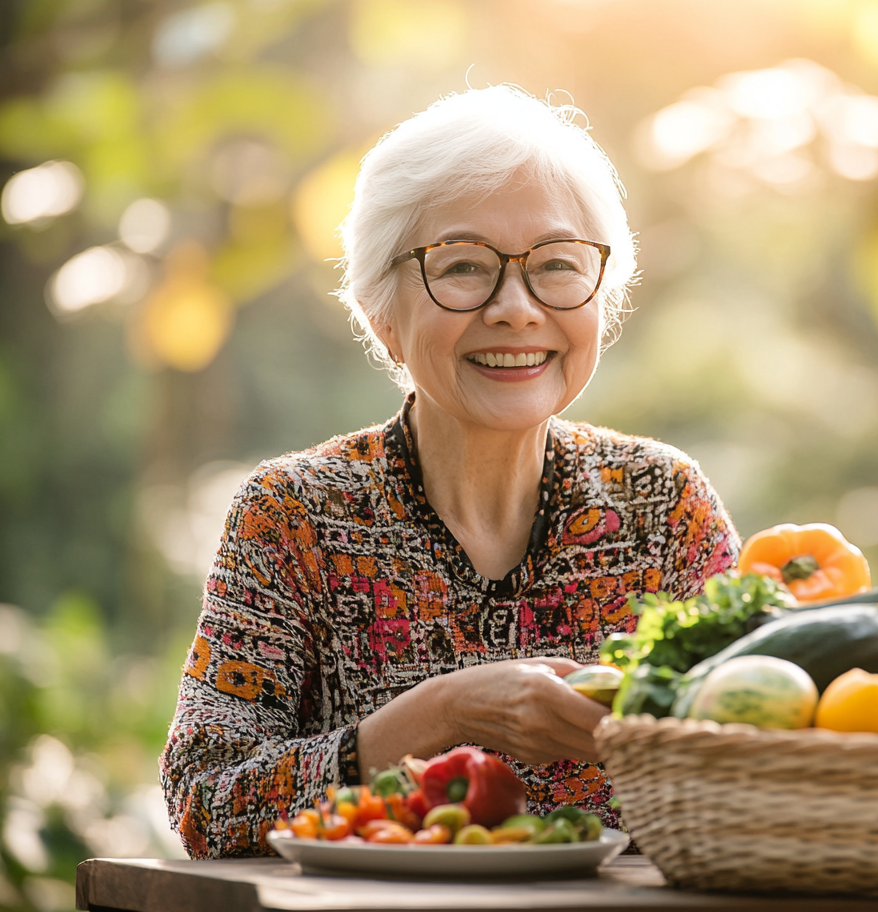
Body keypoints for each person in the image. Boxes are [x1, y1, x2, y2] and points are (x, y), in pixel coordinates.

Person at [159, 86, 740, 858]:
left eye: (558, 265)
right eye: (463, 266)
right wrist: (440, 712)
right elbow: (205, 804)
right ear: (381, 312)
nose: (516, 308)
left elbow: (762, 760)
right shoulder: (293, 514)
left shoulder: (664, 505)